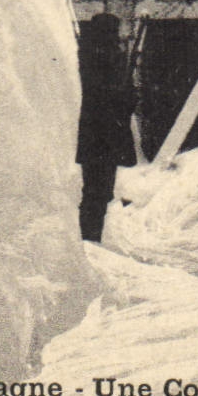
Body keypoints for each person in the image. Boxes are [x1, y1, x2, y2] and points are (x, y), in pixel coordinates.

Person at [75, 12, 137, 243]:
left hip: (97, 134)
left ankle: (91, 236)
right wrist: (127, 96)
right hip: (104, 134)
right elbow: (111, 97)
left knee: (97, 190)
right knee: (97, 190)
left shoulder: (88, 56)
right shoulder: (104, 59)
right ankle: (90, 237)